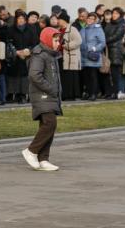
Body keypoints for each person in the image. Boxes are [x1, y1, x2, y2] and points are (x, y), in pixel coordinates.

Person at [21, 27, 63, 172]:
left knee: (48, 125)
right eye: (56, 40)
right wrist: (51, 89)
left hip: (49, 96)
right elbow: (34, 75)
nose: (58, 43)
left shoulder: (51, 54)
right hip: (43, 95)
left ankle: (43, 159)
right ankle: (31, 151)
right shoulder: (40, 54)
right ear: (47, 39)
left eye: (59, 40)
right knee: (50, 123)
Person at [80, 11, 106, 100]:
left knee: (93, 75)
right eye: (89, 18)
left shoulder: (98, 29)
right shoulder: (83, 29)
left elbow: (102, 42)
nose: (90, 20)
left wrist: (94, 48)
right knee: (86, 76)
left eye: (92, 18)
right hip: (83, 56)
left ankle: (93, 94)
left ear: (95, 20)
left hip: (92, 55)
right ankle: (88, 92)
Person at [58, 11, 82, 102]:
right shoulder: (59, 30)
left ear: (64, 20)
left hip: (70, 56)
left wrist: (66, 46)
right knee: (64, 76)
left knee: (71, 76)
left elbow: (78, 41)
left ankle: (72, 95)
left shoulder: (72, 29)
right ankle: (64, 94)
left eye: (59, 19)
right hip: (61, 57)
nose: (58, 21)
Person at [104, 8, 125, 99]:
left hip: (116, 51)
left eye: (116, 13)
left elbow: (117, 36)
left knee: (115, 73)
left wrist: (105, 40)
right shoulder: (109, 24)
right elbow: (104, 33)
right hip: (108, 50)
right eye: (113, 13)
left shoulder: (122, 24)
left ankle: (116, 92)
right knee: (109, 73)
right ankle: (110, 92)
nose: (114, 15)